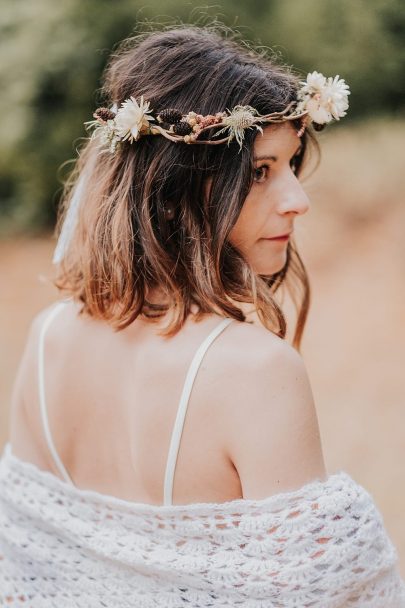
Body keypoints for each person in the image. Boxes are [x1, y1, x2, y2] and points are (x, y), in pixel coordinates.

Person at [0, 24, 404, 607]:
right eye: (261, 172)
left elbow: (25, 578)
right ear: (176, 186)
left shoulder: (47, 341)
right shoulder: (255, 372)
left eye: (292, 165)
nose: (298, 198)